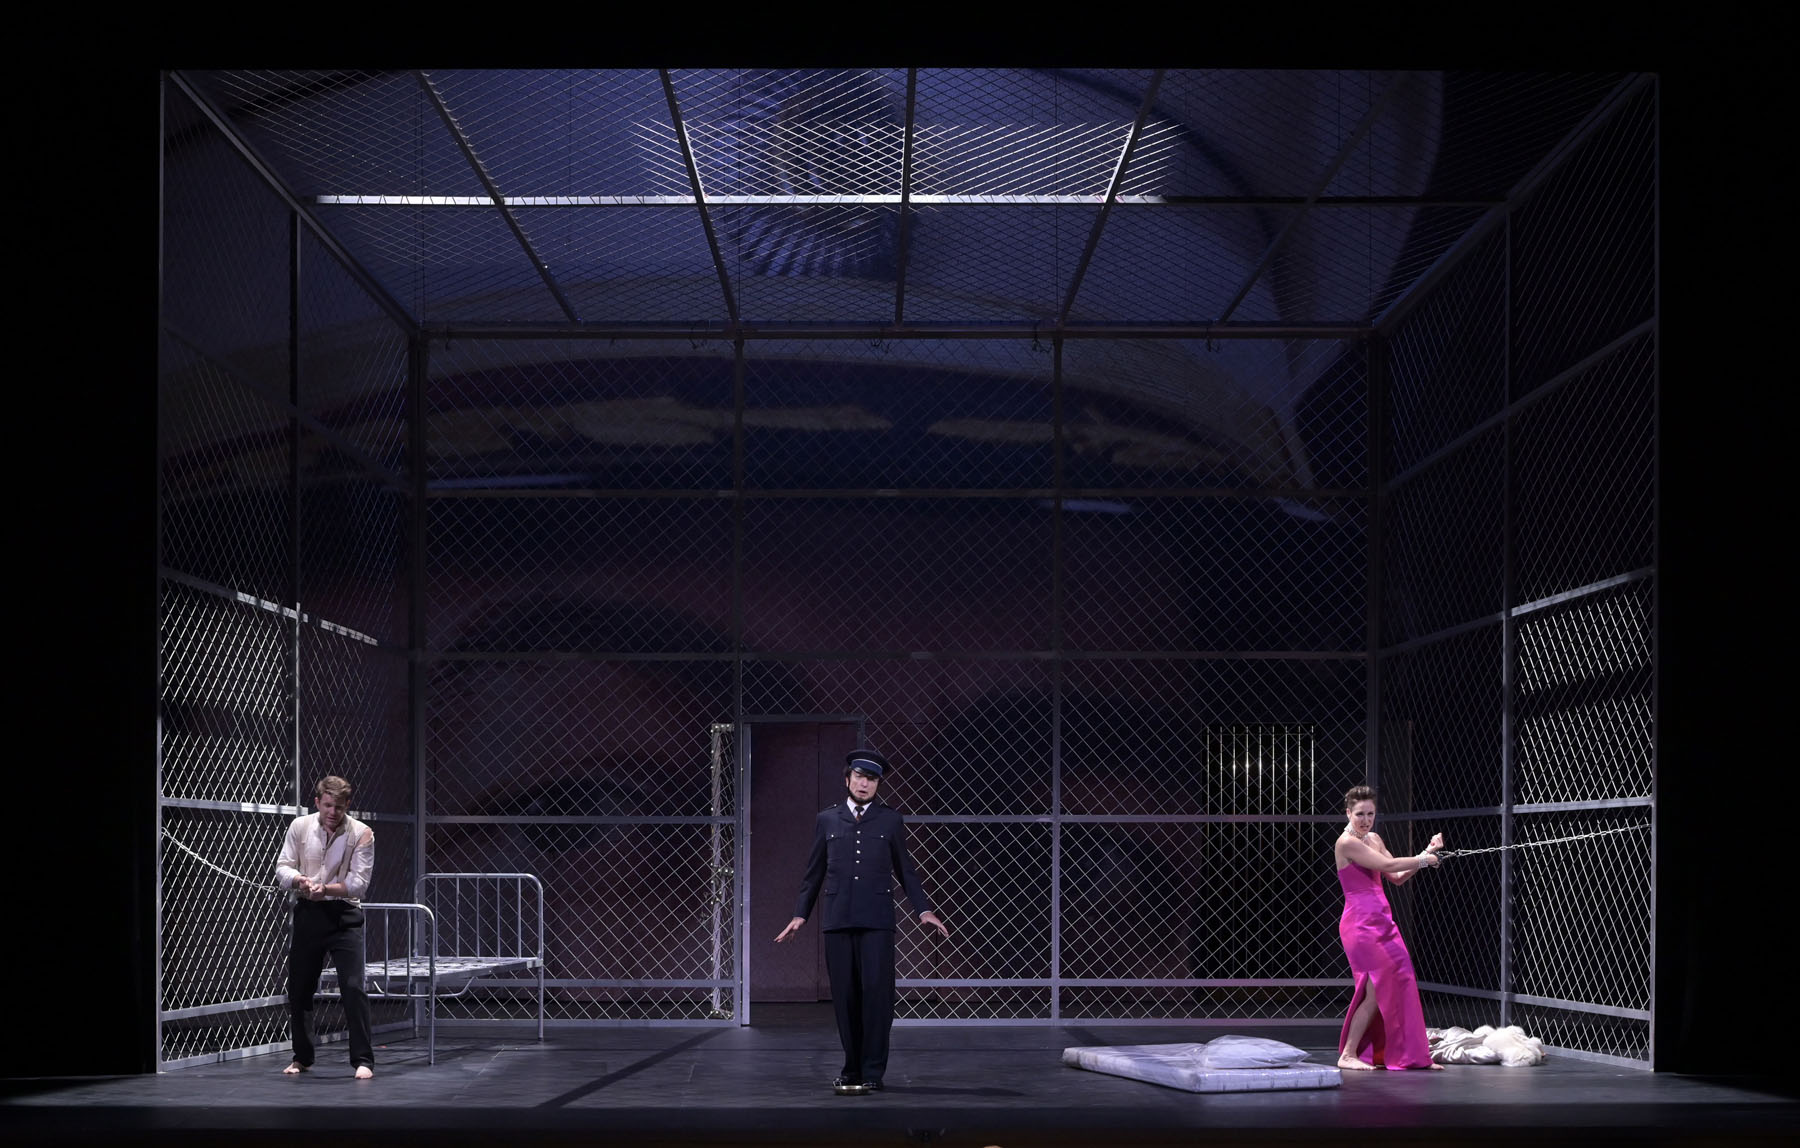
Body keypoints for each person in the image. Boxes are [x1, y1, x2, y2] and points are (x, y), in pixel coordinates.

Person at [776, 750, 949, 1094]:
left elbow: (906, 870)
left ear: (878, 785)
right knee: (846, 997)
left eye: (871, 779)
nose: (864, 784)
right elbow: (814, 873)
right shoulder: (828, 819)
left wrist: (923, 910)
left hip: (877, 921)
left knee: (877, 996)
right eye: (859, 777)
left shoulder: (890, 820)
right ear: (847, 779)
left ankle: (872, 1070)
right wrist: (800, 914)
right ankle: (851, 1068)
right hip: (838, 919)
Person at [1333, 784, 1443, 1071]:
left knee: (1403, 979)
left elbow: (1397, 875)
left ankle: (1412, 1055)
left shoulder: (1374, 838)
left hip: (1383, 922)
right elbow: (1388, 863)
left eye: (1370, 814)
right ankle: (1348, 1054)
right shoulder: (1346, 843)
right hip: (1361, 925)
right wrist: (1424, 859)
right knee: (1373, 991)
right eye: (1360, 814)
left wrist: (1427, 852)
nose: (1366, 820)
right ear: (1348, 813)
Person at [275, 775, 376, 1079]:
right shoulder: (300, 827)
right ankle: (302, 1057)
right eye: (328, 805)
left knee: (353, 987)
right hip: (310, 913)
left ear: (348, 805)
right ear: (318, 802)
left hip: (345, 915)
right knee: (300, 988)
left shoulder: (362, 833)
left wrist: (327, 889)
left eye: (339, 807)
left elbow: (359, 884)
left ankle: (363, 1060)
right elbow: (283, 866)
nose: (333, 812)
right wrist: (300, 880)